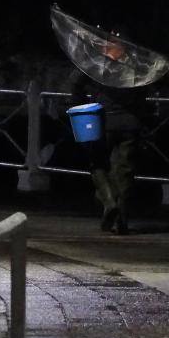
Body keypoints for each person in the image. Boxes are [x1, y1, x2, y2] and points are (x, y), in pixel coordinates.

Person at [70, 32, 147, 235]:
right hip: (131, 123)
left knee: (96, 164)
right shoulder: (137, 66)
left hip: (102, 121)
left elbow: (74, 83)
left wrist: (80, 104)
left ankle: (110, 201)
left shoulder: (98, 65)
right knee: (124, 173)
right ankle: (121, 219)